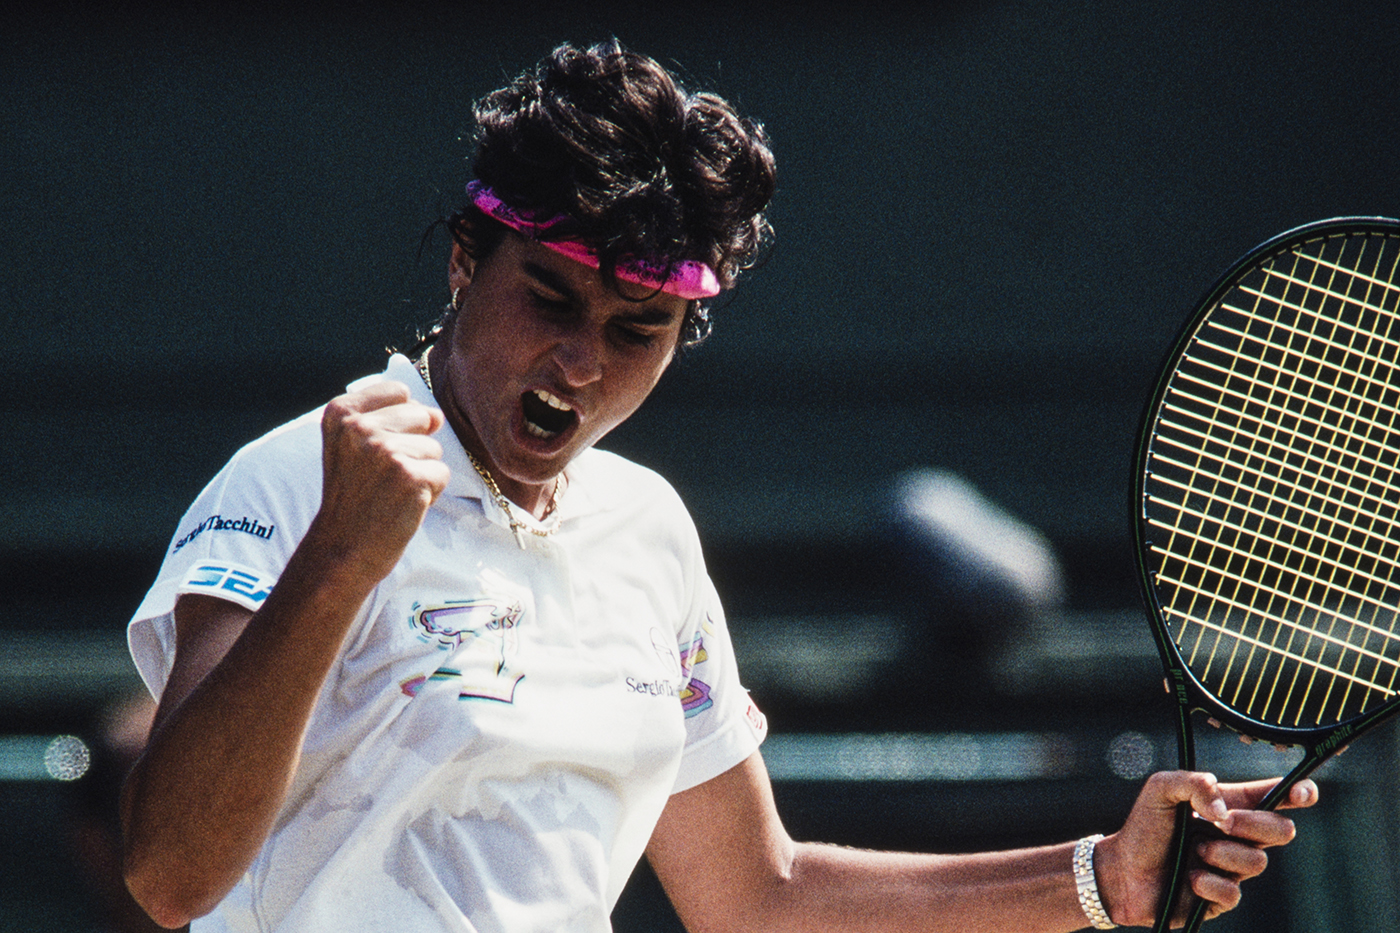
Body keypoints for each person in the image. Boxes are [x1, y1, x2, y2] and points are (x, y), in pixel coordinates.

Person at [119, 40, 1317, 933]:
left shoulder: (646, 529)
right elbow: (169, 878)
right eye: (548, 296)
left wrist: (1097, 878)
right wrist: (341, 558)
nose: (581, 359)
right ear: (464, 261)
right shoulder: (297, 478)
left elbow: (756, 893)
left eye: (635, 328)